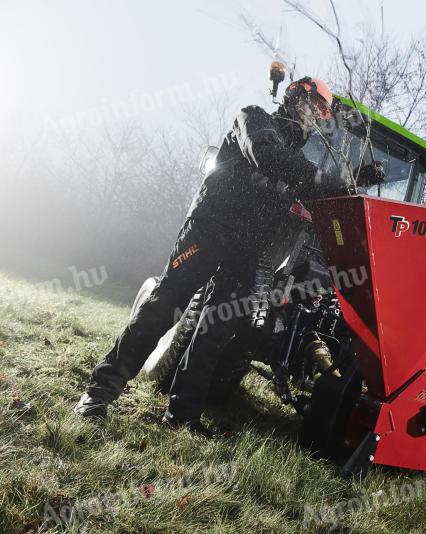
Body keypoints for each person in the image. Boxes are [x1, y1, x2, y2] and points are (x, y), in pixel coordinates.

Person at [74, 76, 383, 434]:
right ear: (295, 96)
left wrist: (357, 177)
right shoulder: (253, 119)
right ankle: (99, 393)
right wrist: (324, 178)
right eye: (314, 106)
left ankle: (182, 415)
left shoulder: (297, 161)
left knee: (216, 328)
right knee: (166, 305)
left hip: (249, 248)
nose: (317, 116)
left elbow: (318, 196)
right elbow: (266, 156)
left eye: (322, 113)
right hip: (211, 228)